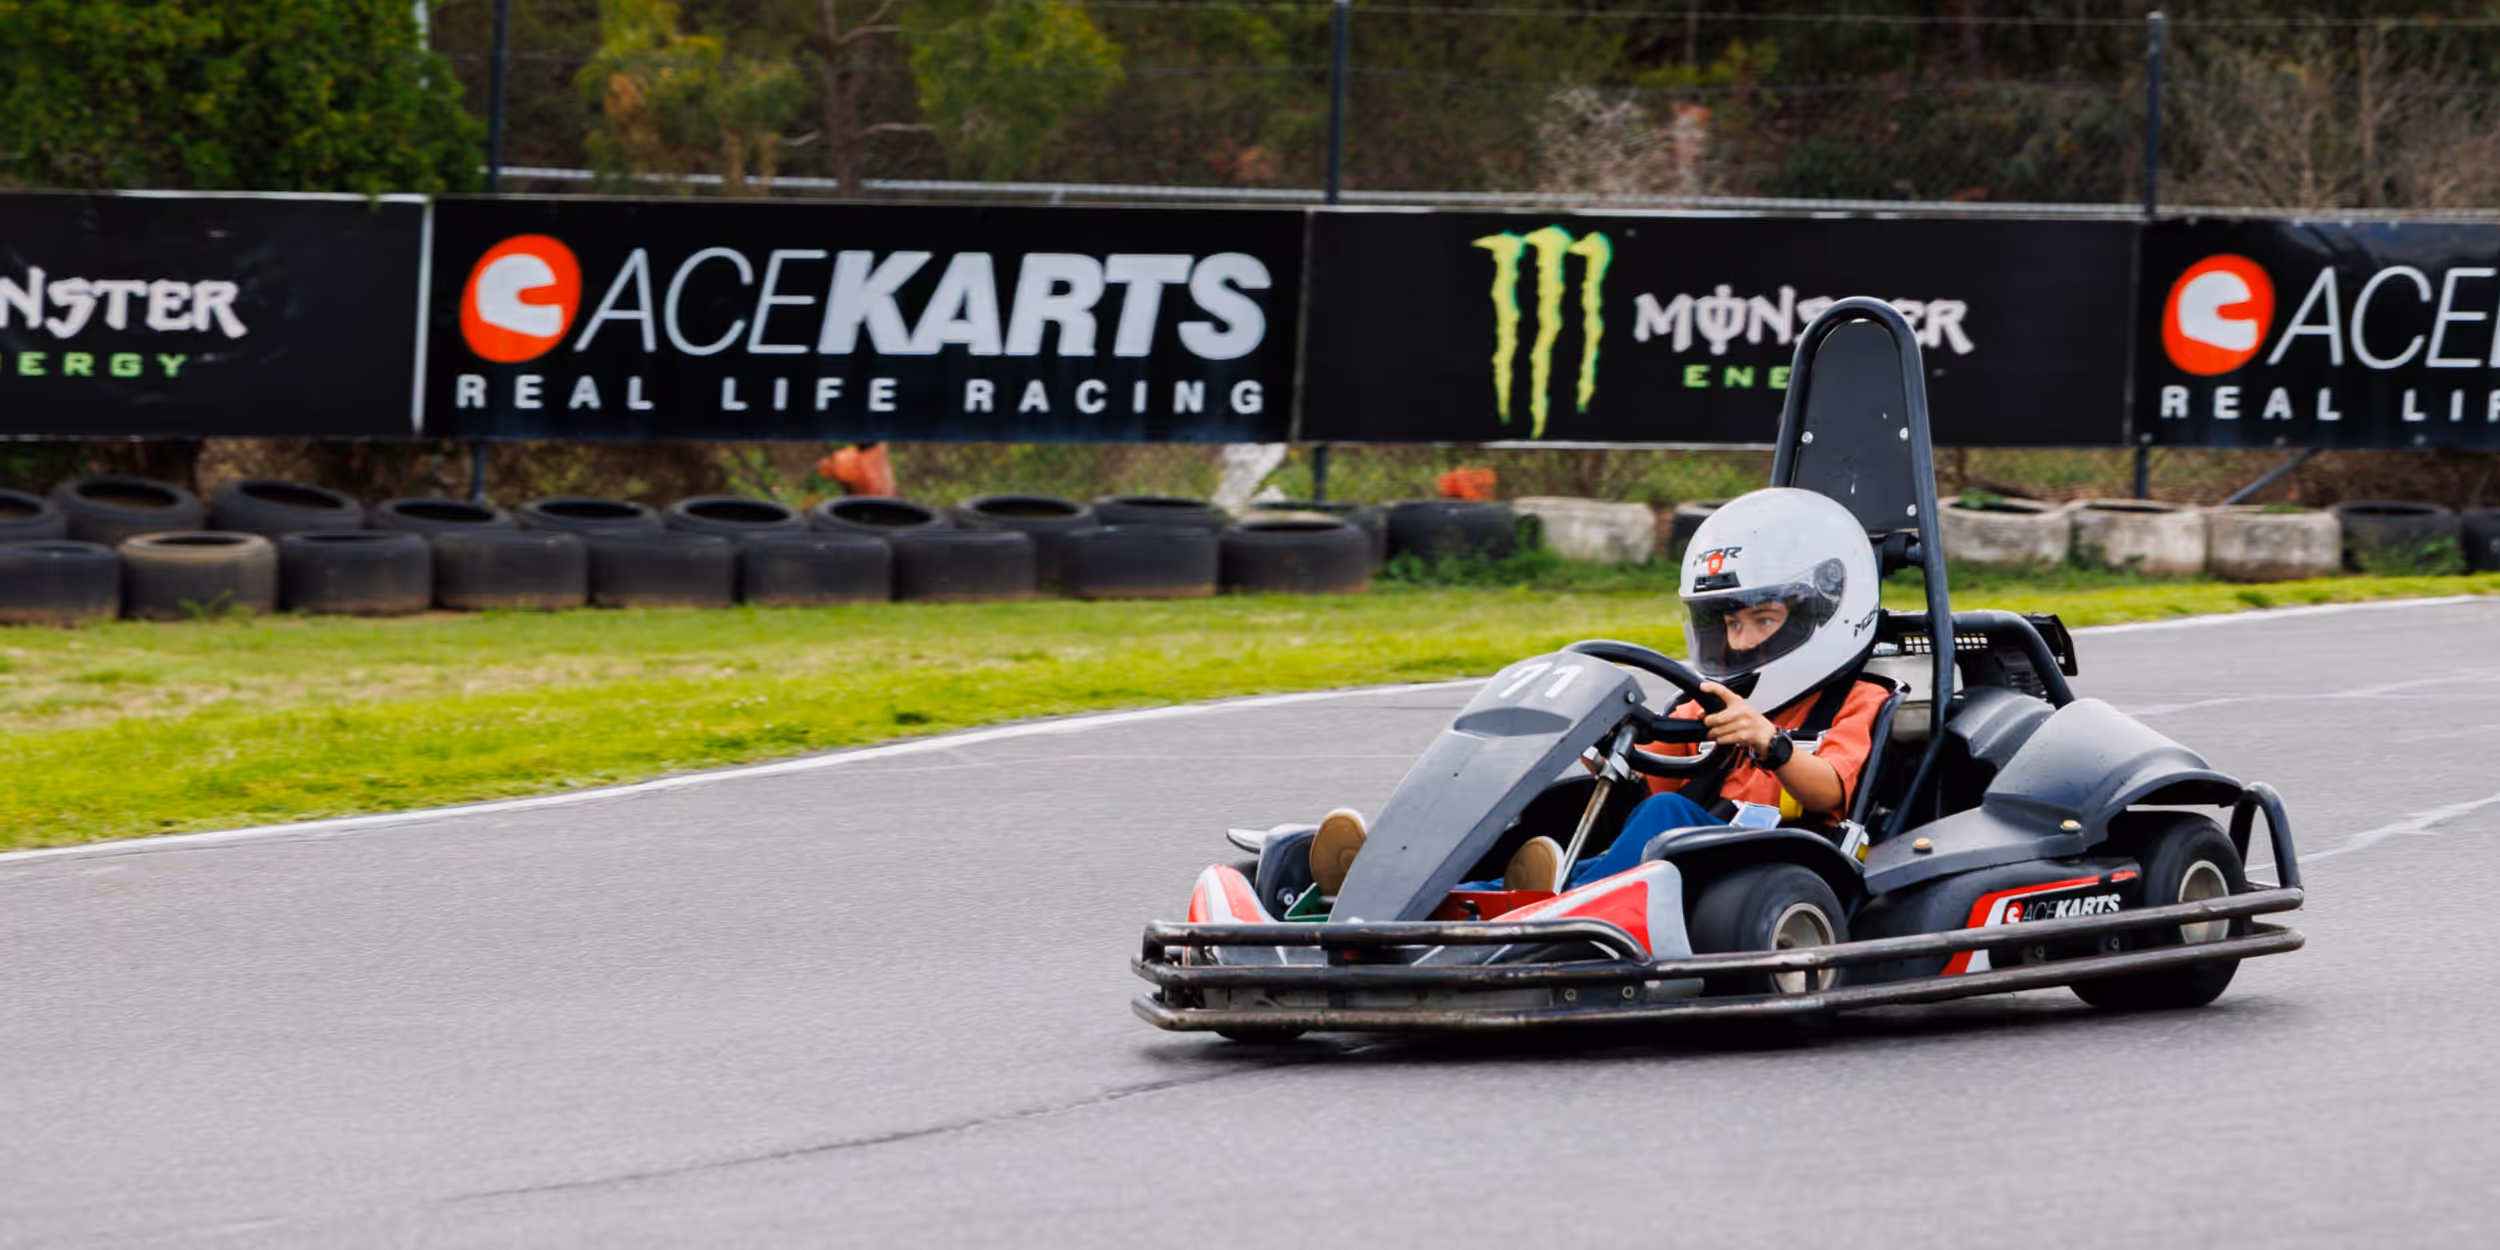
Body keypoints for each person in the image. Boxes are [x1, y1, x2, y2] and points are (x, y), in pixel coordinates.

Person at [1308, 487, 1892, 896]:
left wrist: (1773, 744)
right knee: (1564, 807)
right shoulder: (1704, 700)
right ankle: (1409, 882)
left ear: (1822, 612)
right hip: (1674, 860)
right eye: (1730, 624)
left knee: (1663, 817)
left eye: (1761, 620)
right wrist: (1608, 741)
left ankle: (1533, 897)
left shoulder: (1854, 701)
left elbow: (1827, 793)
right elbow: (1656, 781)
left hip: (1776, 861)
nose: (1740, 644)